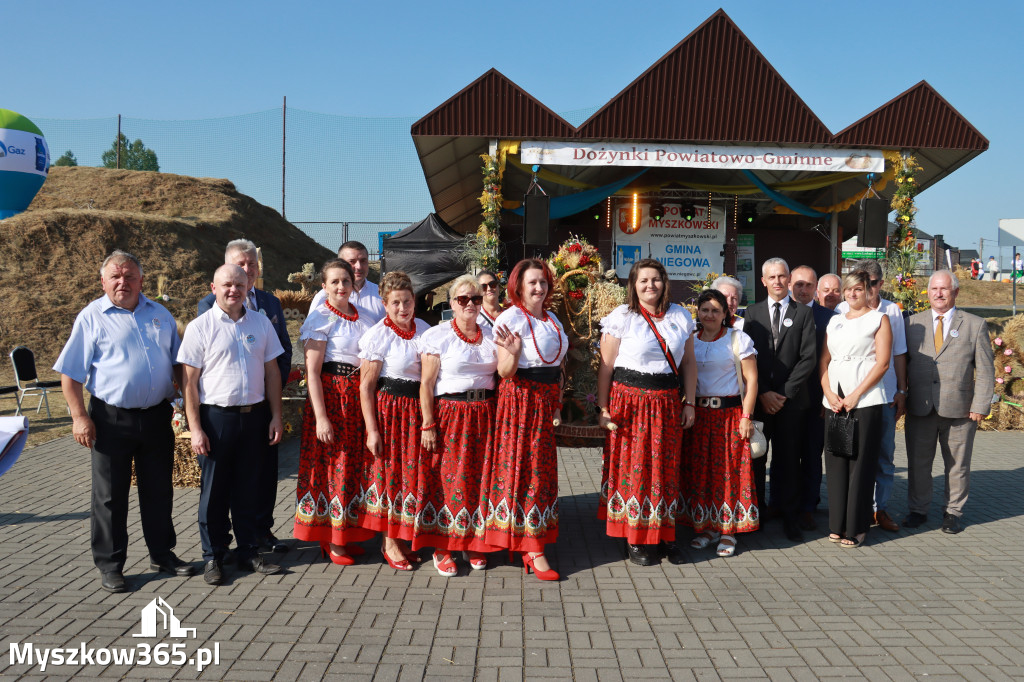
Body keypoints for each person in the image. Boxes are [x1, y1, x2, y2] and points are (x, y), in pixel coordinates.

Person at [55, 250, 193, 593]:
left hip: (157, 417)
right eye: (115, 277)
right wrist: (79, 417)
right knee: (110, 496)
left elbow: (178, 363)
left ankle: (162, 554)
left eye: (130, 276)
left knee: (159, 490)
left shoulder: (159, 313)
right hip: (110, 420)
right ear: (103, 282)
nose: (123, 282)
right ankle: (111, 565)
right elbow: (70, 375)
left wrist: (187, 401)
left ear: (141, 280)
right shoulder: (92, 317)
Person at [178, 264, 285, 585]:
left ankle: (248, 550)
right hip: (216, 420)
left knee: (248, 489)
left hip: (254, 417)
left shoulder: (261, 323)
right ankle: (213, 555)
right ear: (214, 287)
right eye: (226, 285)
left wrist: (277, 415)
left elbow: (272, 373)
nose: (233, 290)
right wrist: (195, 428)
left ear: (248, 285)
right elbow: (189, 383)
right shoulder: (200, 327)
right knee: (213, 493)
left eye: (239, 284)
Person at [595, 259, 696, 566]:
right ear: (633, 286)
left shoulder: (680, 315)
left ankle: (664, 535)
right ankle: (636, 537)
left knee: (664, 469)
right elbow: (606, 366)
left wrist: (689, 401)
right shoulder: (622, 317)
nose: (650, 285)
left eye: (655, 279)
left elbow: (689, 363)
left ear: (664, 282)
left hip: (666, 401)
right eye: (643, 281)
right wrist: (603, 409)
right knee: (635, 469)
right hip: (630, 403)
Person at [198, 239, 292, 556]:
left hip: (260, 404)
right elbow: (194, 372)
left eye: (251, 265)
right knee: (220, 483)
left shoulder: (268, 305)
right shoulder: (206, 310)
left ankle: (257, 536)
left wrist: (271, 395)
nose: (246, 271)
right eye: (240, 265)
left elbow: (281, 353)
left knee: (258, 476)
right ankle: (217, 549)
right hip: (221, 411)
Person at [484, 259, 569, 580]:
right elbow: (504, 371)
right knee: (522, 467)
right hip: (520, 398)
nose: (539, 288)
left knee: (540, 468)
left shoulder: (553, 319)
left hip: (545, 400)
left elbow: (558, 366)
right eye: (532, 283)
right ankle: (530, 547)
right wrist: (515, 352)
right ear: (518, 287)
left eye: (543, 283)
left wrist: (558, 403)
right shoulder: (510, 318)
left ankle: (532, 536)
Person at [292, 259, 374, 566]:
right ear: (324, 286)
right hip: (331, 397)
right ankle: (330, 539)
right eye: (335, 281)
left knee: (353, 464)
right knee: (331, 465)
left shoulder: (362, 316)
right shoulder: (321, 317)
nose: (342, 287)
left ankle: (348, 533)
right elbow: (312, 372)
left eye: (346, 281)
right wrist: (322, 416)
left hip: (356, 397)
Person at [418, 274, 499, 575]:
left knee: (480, 478)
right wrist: (428, 423)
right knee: (450, 478)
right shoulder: (438, 335)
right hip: (451, 413)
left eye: (475, 299)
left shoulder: (492, 334)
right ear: (452, 303)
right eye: (463, 299)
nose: (470, 304)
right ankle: (444, 546)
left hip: (486, 412)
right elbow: (426, 384)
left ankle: (474, 542)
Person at [903, 270, 994, 534]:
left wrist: (980, 405)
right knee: (919, 463)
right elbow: (902, 364)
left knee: (957, 464)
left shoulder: (975, 325)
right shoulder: (912, 324)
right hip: (920, 407)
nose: (939, 294)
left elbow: (986, 370)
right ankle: (918, 510)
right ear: (928, 292)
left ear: (955, 292)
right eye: (934, 289)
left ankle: (953, 512)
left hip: (961, 410)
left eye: (944, 289)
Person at [358, 271, 431, 570]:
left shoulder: (425, 330)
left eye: (408, 301)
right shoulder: (378, 335)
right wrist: (371, 430)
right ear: (385, 304)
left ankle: (402, 538)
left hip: (417, 410)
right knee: (389, 475)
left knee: (410, 476)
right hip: (390, 413)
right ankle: (388, 542)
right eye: (396, 303)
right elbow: (365, 387)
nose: (403, 308)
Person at [741, 258, 817, 541]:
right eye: (771, 277)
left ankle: (789, 515)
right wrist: (761, 392)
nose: (777, 281)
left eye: (782, 276)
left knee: (788, 459)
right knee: (757, 458)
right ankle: (756, 512)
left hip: (791, 402)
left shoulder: (803, 314)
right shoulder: (753, 312)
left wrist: (783, 393)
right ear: (763, 281)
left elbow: (808, 357)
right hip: (760, 400)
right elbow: (748, 357)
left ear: (788, 279)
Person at [681, 289, 759, 557]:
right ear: (698, 312)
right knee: (702, 474)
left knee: (728, 474)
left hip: (730, 416)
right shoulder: (691, 340)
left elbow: (752, 381)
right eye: (705, 310)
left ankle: (728, 531)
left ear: (726, 313)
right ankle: (707, 528)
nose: (710, 315)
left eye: (716, 310)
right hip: (699, 416)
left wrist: (746, 416)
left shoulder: (738, 339)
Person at [820, 270, 892, 547]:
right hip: (835, 401)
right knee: (836, 462)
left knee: (860, 466)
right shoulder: (835, 321)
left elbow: (882, 363)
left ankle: (857, 527)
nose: (852, 294)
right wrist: (828, 392)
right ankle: (837, 525)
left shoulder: (878, 319)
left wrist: (855, 395)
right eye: (848, 289)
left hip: (866, 400)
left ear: (868, 291)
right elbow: (824, 361)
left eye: (858, 289)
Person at [835, 260, 907, 533]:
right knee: (852, 454)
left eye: (873, 283)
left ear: (880, 284)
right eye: (859, 284)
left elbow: (898, 352)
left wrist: (902, 390)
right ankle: (855, 509)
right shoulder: (843, 310)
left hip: (884, 394)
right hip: (851, 397)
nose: (866, 289)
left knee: (884, 455)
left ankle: (881, 509)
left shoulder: (892, 311)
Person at [789, 265, 837, 530]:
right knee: (786, 456)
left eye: (809, 285)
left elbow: (833, 362)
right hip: (785, 400)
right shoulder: (781, 313)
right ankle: (783, 503)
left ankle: (808, 506)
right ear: (789, 286)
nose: (803, 290)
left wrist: (828, 398)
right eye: (799, 284)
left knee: (811, 456)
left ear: (815, 289)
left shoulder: (830, 318)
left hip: (817, 401)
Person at [309, 241, 385, 323]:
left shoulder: (381, 294)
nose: (359, 266)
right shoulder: (323, 297)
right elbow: (312, 327)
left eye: (363, 261)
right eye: (352, 261)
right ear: (340, 263)